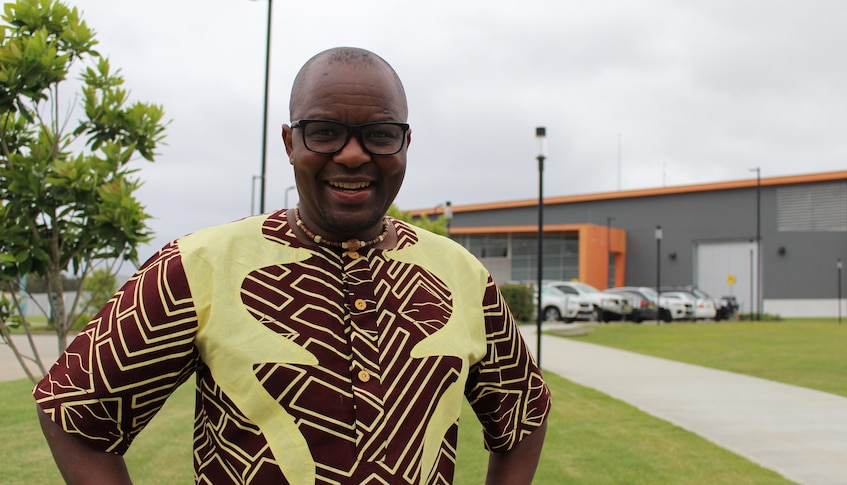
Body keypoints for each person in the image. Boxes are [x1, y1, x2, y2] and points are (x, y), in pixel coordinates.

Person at [34, 47, 551, 484]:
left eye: (380, 133)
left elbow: (524, 417)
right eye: (323, 132)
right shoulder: (197, 266)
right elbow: (74, 412)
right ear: (289, 142)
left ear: (405, 144)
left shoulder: (461, 276)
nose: (352, 155)